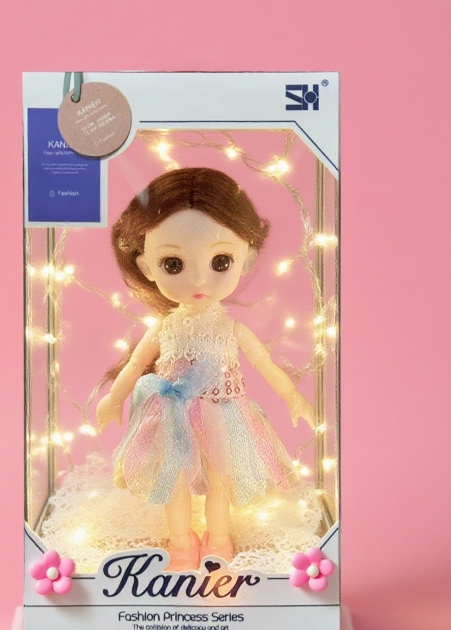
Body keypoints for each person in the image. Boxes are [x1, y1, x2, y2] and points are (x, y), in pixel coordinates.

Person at [97, 167, 314, 571]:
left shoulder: (231, 329)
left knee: (220, 480)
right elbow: (139, 363)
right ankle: (181, 542)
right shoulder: (165, 328)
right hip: (170, 415)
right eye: (173, 263)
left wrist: (292, 395)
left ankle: (218, 539)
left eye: (220, 261)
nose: (199, 278)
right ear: (147, 266)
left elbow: (263, 362)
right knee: (174, 479)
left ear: (246, 260)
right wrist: (114, 398)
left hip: (222, 413)